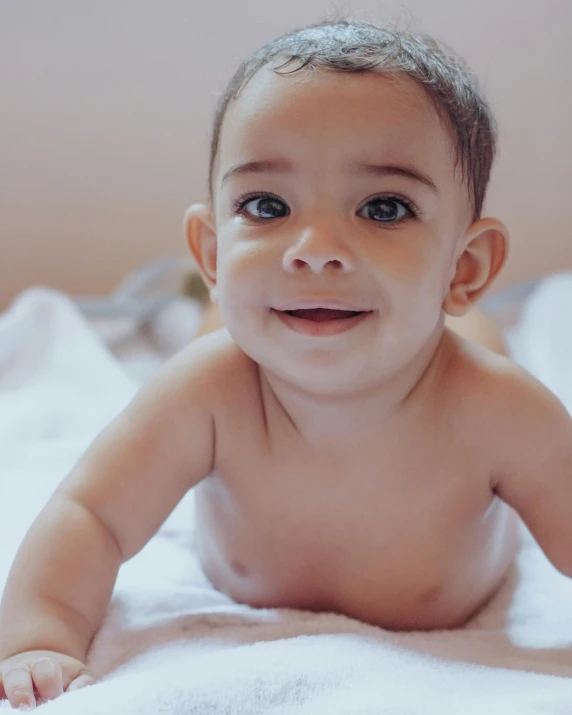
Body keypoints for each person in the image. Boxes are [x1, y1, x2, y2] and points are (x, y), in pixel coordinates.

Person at [1, 19, 570, 710]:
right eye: (266, 205)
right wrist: (41, 633)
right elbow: (91, 514)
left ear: (465, 265)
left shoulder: (500, 411)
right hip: (247, 341)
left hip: (448, 349)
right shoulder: (206, 393)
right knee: (227, 336)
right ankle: (207, 303)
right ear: (211, 252)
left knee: (468, 339)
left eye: (383, 207)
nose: (315, 247)